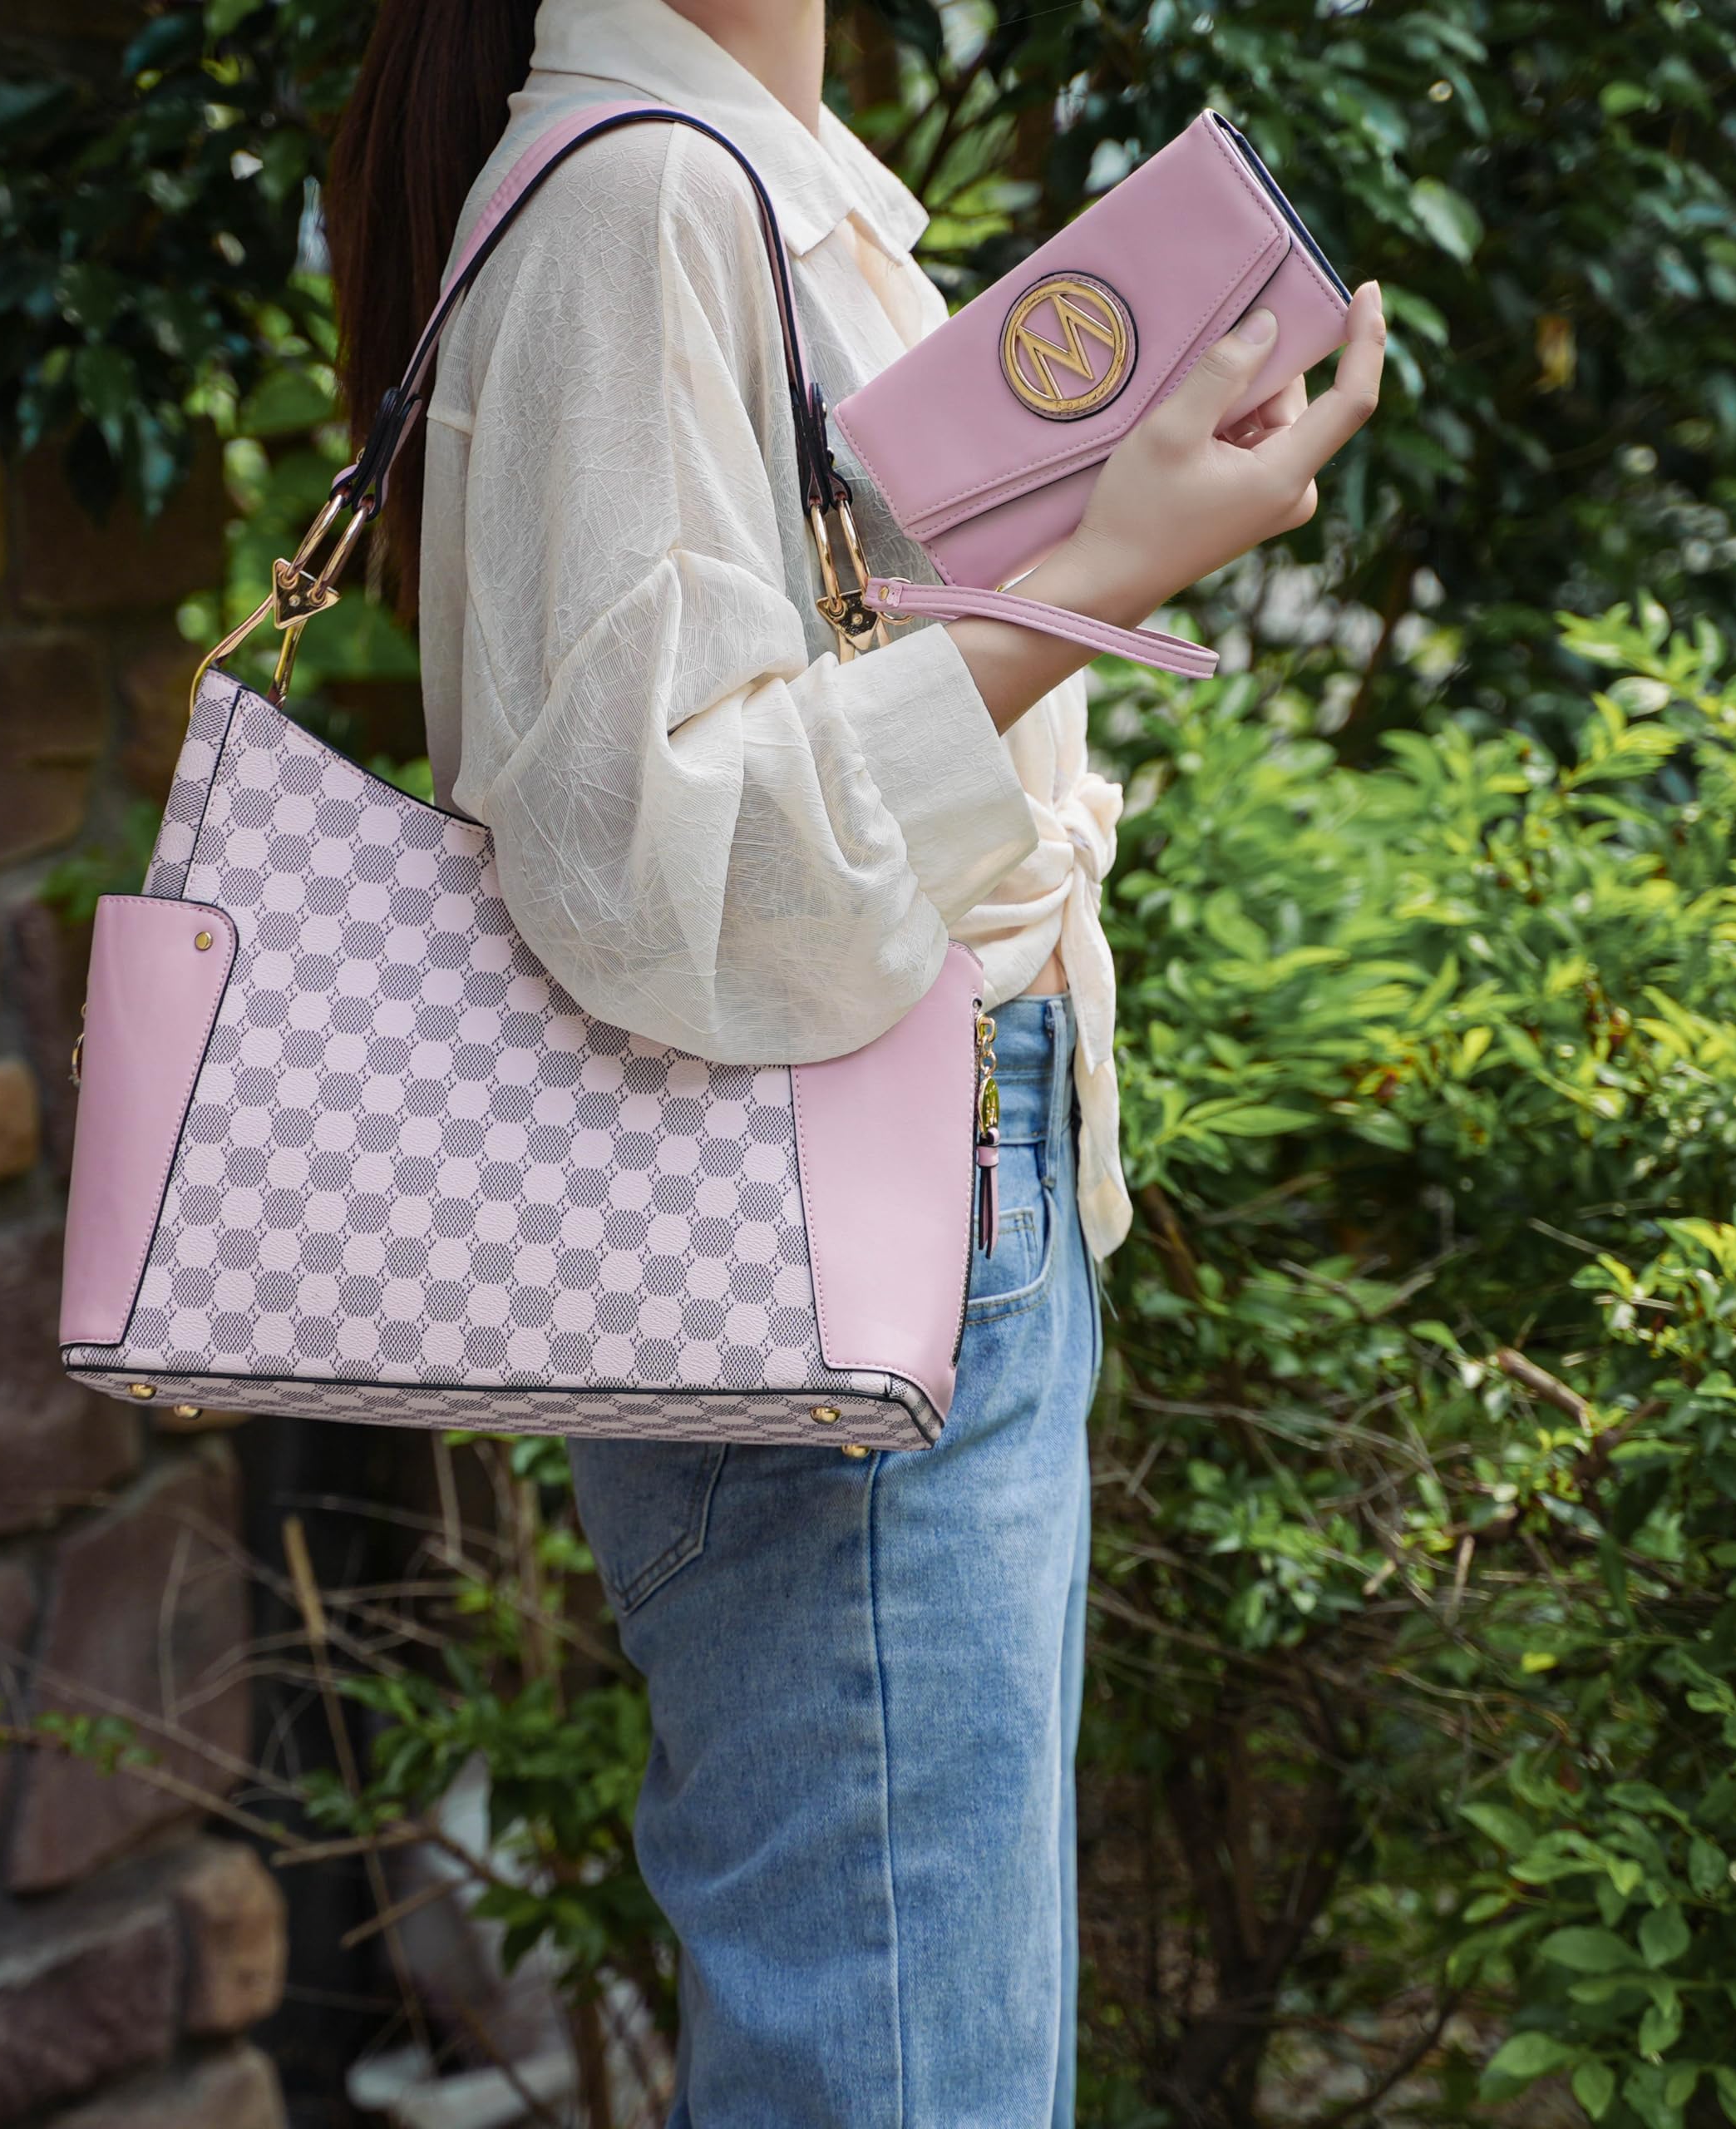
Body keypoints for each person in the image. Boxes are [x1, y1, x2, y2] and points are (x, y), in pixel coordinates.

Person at [328, 2, 1384, 2119]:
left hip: (921, 1191)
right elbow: (642, 868)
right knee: (909, 2066)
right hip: (833, 1206)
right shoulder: (638, 193)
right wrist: (1102, 570)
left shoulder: (751, 183)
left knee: (926, 2040)